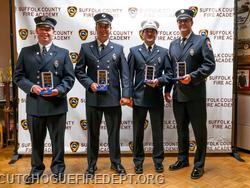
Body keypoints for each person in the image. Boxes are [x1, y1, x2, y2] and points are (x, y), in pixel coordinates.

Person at [13, 16, 75, 184]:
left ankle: (58, 169)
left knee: (58, 142)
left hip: (56, 105)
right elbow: (18, 76)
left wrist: (58, 90)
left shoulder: (63, 53)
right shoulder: (26, 52)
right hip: (35, 105)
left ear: (53, 32)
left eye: (48, 29)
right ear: (36, 31)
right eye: (41, 29)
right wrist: (32, 87)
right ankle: (36, 169)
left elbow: (69, 78)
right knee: (36, 142)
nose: (45, 32)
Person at [75, 13, 131, 177]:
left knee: (114, 134)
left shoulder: (118, 48)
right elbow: (78, 71)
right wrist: (90, 84)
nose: (103, 29)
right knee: (92, 134)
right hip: (94, 98)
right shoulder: (86, 47)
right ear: (96, 28)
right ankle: (91, 165)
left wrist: (126, 95)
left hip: (113, 98)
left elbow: (125, 75)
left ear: (110, 29)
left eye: (106, 26)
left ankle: (116, 163)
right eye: (101, 26)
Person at [164, 9, 216, 179]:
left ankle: (199, 164)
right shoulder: (173, 44)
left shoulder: (201, 41)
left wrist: (192, 77)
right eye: (180, 21)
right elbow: (171, 71)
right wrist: (167, 90)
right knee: (181, 130)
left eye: (186, 21)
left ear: (191, 23)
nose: (182, 24)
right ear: (177, 24)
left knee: (199, 132)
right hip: (179, 95)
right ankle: (183, 159)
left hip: (195, 95)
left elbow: (210, 65)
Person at [128, 20, 172, 174]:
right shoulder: (134, 51)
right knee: (138, 132)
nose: (150, 33)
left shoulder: (163, 52)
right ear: (142, 33)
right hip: (139, 98)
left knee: (157, 132)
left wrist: (159, 81)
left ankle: (158, 161)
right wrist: (128, 96)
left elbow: (170, 74)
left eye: (152, 31)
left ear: (156, 34)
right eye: (147, 31)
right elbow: (128, 76)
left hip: (155, 97)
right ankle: (138, 161)